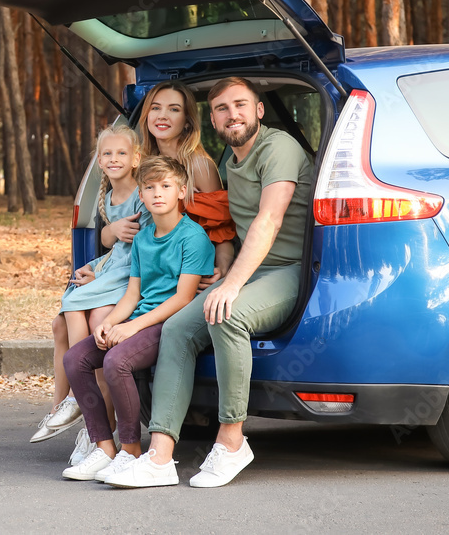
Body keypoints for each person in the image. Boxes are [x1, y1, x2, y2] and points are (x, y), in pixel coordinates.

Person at [107, 76, 313, 489]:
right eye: (221, 108)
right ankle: (161, 456)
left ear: (258, 110)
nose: (231, 114)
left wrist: (231, 284)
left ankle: (232, 441)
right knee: (178, 329)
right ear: (213, 119)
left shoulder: (279, 148)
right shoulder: (226, 163)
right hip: (248, 270)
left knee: (226, 314)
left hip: (290, 269)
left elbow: (268, 220)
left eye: (240, 105)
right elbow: (220, 225)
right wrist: (220, 267)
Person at [60, 156, 214, 481]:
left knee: (117, 361)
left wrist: (131, 327)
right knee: (75, 359)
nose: (158, 193)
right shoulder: (143, 239)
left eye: (166, 186)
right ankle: (104, 447)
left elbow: (183, 298)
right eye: (150, 187)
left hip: (169, 324)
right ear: (141, 196)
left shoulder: (193, 237)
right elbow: (132, 295)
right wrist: (110, 323)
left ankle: (130, 450)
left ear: (182, 191)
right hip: (140, 318)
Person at [32, 125, 152, 466]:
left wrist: (107, 246)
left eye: (121, 154)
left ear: (136, 159)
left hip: (131, 274)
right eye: (107, 154)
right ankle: (62, 405)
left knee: (86, 311)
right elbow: (115, 247)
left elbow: (139, 249)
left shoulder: (141, 194)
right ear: (99, 161)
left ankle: (86, 409)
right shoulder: (109, 199)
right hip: (113, 269)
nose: (114, 159)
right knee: (65, 315)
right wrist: (98, 263)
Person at [137, 81, 236, 287]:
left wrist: (223, 269)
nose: (162, 115)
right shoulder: (141, 164)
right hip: (147, 267)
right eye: (155, 108)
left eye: (174, 109)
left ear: (187, 121)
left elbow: (221, 230)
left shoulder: (199, 166)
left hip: (188, 273)